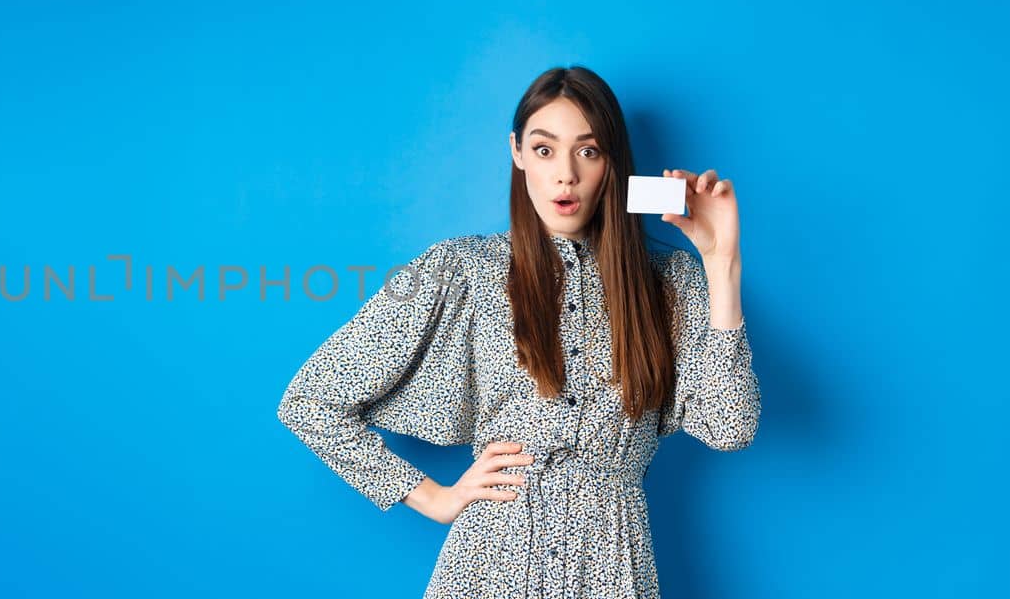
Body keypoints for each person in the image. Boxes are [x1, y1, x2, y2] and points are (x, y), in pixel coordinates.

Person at [274, 65, 759, 599]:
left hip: (615, 569)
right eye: (545, 149)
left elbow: (729, 428)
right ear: (517, 153)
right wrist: (432, 496)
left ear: (613, 166)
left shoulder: (670, 282)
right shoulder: (462, 270)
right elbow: (310, 402)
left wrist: (721, 262)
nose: (565, 176)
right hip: (491, 563)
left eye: (589, 151)